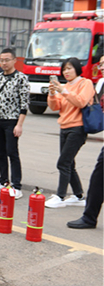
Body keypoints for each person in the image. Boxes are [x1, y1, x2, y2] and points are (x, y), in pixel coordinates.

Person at [43, 58, 95, 208]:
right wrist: (52, 94)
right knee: (69, 163)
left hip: (77, 128)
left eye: (70, 68)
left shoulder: (85, 83)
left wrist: (62, 91)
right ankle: (79, 196)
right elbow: (55, 107)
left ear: (77, 69)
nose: (66, 72)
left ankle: (60, 196)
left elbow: (81, 101)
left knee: (63, 162)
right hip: (64, 127)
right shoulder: (63, 86)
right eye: (64, 69)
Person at [0, 48, 29, 199]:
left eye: (7, 60)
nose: (4, 63)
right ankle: (3, 180)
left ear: (14, 60)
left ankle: (17, 186)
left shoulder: (21, 78)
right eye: (1, 60)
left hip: (12, 121)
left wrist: (19, 124)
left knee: (12, 152)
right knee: (0, 152)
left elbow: (24, 104)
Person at [68, 54, 104, 228]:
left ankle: (89, 217)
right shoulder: (101, 83)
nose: (101, 67)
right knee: (99, 178)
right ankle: (89, 217)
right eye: (101, 64)